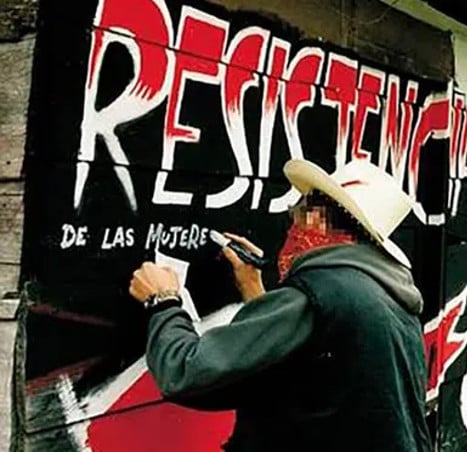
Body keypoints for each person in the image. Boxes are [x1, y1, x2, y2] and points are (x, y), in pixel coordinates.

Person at [128, 159, 431, 452]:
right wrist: (254, 289)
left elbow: (186, 372)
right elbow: (308, 365)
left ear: (317, 224)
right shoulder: (386, 294)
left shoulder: (317, 294)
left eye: (297, 214)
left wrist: (163, 301)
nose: (290, 227)